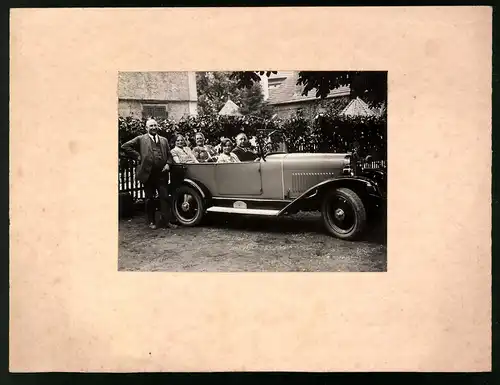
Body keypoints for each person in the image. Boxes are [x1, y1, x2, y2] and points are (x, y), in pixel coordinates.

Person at [121, 118, 177, 230]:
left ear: (158, 127)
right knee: (149, 199)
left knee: (165, 197)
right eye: (151, 126)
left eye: (155, 125)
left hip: (162, 173)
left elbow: (169, 155)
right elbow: (125, 146)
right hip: (148, 174)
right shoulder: (141, 139)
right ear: (146, 128)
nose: (153, 128)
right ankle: (151, 221)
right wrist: (138, 156)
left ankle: (166, 222)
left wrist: (168, 164)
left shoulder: (164, 140)